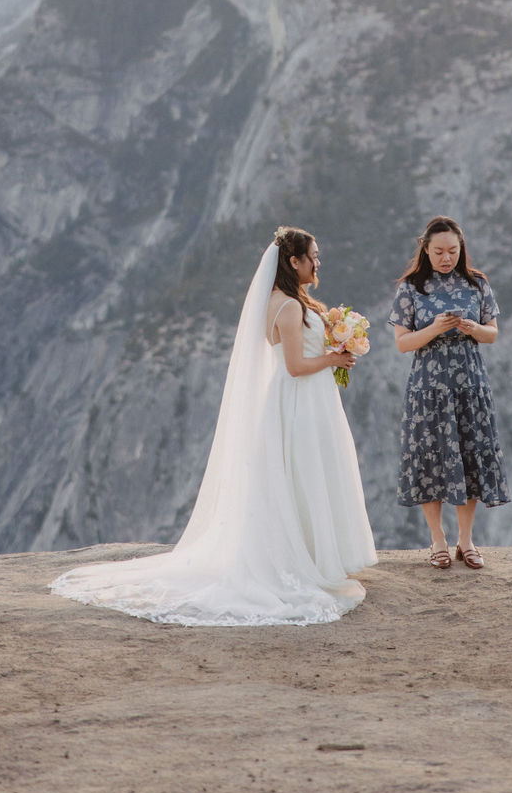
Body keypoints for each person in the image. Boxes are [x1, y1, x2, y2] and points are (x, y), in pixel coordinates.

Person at [50, 226, 377, 625]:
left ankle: (310, 555)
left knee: (300, 478)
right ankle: (309, 561)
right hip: (299, 401)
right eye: (314, 255)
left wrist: (337, 340)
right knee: (304, 474)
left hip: (304, 400)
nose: (318, 262)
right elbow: (294, 367)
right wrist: (334, 360)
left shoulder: (283, 301)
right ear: (294, 261)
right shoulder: (289, 308)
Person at [389, 215, 509, 569]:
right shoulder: (411, 288)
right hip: (428, 387)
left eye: (453, 251)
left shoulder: (477, 284)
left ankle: (466, 540)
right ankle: (437, 539)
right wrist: (434, 329)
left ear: (462, 249)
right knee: (431, 459)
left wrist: (472, 328)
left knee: (469, 458)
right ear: (425, 250)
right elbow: (402, 343)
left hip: (470, 384)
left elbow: (493, 333)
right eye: (439, 251)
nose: (446, 258)